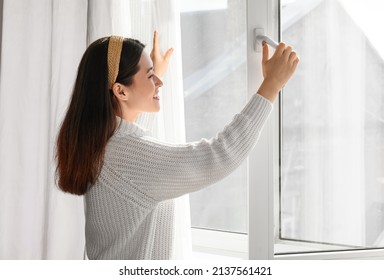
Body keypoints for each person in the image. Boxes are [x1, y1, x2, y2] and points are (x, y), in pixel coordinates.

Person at [56, 31, 299, 260]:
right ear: (120, 91)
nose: (159, 82)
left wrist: (150, 78)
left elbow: (136, 163)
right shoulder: (127, 155)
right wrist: (271, 86)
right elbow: (218, 155)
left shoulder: (102, 143)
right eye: (150, 76)